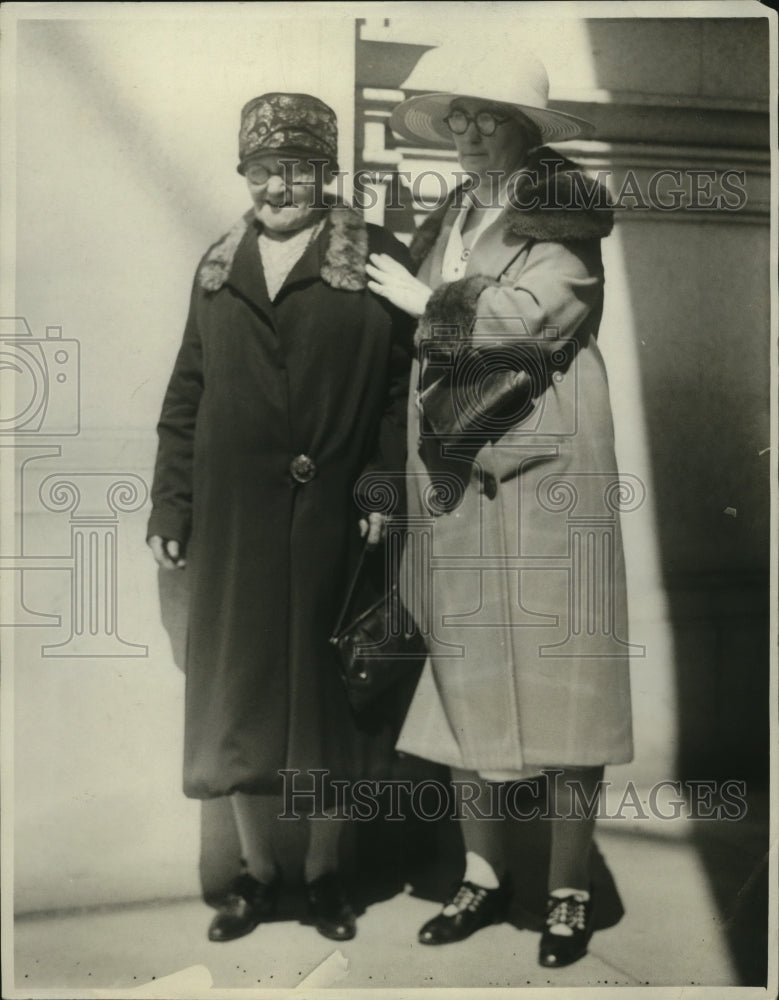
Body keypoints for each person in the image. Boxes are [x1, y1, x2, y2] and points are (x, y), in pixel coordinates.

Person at [366, 48, 633, 968]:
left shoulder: (560, 214)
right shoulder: (454, 210)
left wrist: (425, 301)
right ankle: (481, 875)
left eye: (489, 114)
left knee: (568, 685)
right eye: (458, 115)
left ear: (526, 127)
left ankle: (565, 888)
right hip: (454, 482)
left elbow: (530, 323)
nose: (469, 129)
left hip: (542, 480)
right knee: (462, 682)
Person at [147, 92, 415, 943]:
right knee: (244, 709)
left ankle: (326, 877)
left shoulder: (372, 258)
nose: (275, 187)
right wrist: (172, 501)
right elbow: (186, 393)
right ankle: (259, 879)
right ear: (246, 175)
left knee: (331, 708)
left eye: (294, 169)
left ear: (325, 175)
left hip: (334, 523)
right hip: (235, 529)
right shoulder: (218, 266)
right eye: (262, 170)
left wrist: (380, 491)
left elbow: (399, 396)